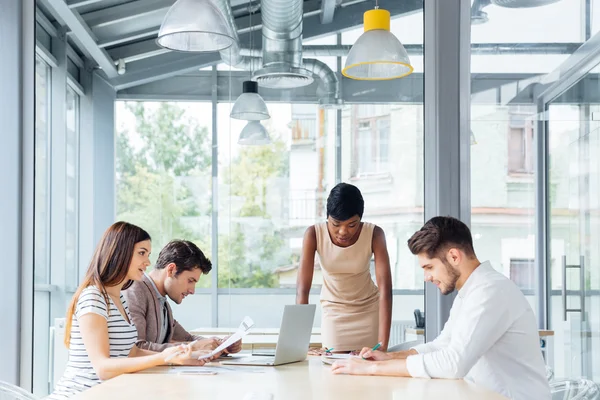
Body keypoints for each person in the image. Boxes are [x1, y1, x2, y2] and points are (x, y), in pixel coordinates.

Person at [331, 216, 551, 400]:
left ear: (454, 256)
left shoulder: (491, 291)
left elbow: (454, 363)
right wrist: (390, 358)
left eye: (429, 267)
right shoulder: (471, 292)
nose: (427, 277)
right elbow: (442, 345)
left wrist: (372, 370)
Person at [48, 222, 204, 400]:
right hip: (81, 394)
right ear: (120, 252)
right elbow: (103, 368)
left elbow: (131, 352)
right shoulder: (94, 298)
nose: (147, 262)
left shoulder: (119, 298)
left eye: (148, 254)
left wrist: (177, 357)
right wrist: (164, 358)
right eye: (141, 253)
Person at [296, 183, 393, 352]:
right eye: (336, 224)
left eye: (352, 225)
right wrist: (299, 343)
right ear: (327, 217)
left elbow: (386, 290)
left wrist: (382, 345)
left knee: (369, 367)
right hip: (333, 314)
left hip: (368, 311)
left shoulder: (375, 234)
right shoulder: (313, 234)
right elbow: (302, 290)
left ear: (360, 220)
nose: (343, 232)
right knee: (334, 367)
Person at [123, 239, 241, 354]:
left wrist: (220, 344)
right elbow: (136, 348)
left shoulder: (162, 302)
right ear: (171, 270)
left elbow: (188, 339)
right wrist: (192, 348)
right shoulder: (135, 290)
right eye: (190, 280)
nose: (192, 290)